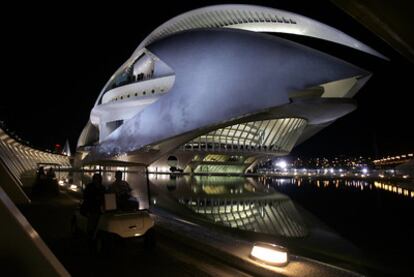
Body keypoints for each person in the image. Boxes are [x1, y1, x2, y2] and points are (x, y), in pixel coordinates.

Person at [82, 173, 105, 239]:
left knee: (98, 225)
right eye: (96, 179)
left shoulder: (102, 187)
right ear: (94, 179)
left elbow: (105, 197)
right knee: (91, 226)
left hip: (99, 209)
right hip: (92, 209)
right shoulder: (90, 187)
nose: (97, 180)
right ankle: (90, 238)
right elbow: (86, 198)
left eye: (98, 179)